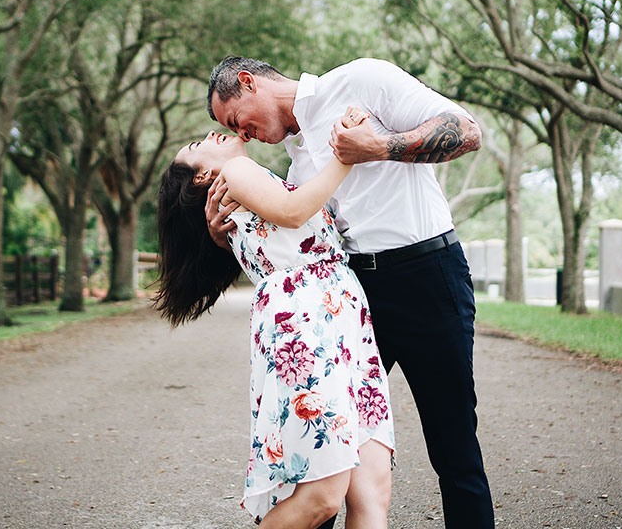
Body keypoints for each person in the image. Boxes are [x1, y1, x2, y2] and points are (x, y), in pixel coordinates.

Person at [205, 56, 494, 529]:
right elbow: (289, 241)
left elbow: (466, 131)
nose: (241, 135)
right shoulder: (295, 165)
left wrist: (379, 145)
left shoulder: (362, 79)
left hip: (427, 276)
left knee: (453, 445)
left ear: (247, 82)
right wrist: (223, 233)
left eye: (236, 120)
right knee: (325, 449)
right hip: (351, 302)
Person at [154, 120, 395, 528]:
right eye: (199, 143)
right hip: (310, 320)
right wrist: (346, 155)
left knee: (372, 491)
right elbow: (294, 210)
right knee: (324, 494)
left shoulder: (239, 193)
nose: (214, 134)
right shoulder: (234, 173)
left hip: (340, 318)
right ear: (202, 176)